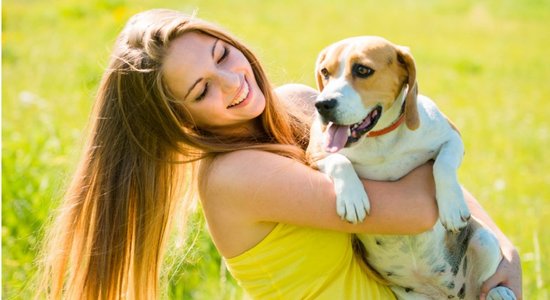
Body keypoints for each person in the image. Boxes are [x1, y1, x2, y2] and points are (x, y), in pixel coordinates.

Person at [37, 9, 522, 299]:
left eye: (223, 56)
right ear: (180, 121)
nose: (233, 82)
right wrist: (422, 119)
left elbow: (425, 166)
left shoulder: (297, 102)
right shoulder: (235, 175)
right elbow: (417, 206)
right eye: (203, 88)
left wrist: (502, 247)